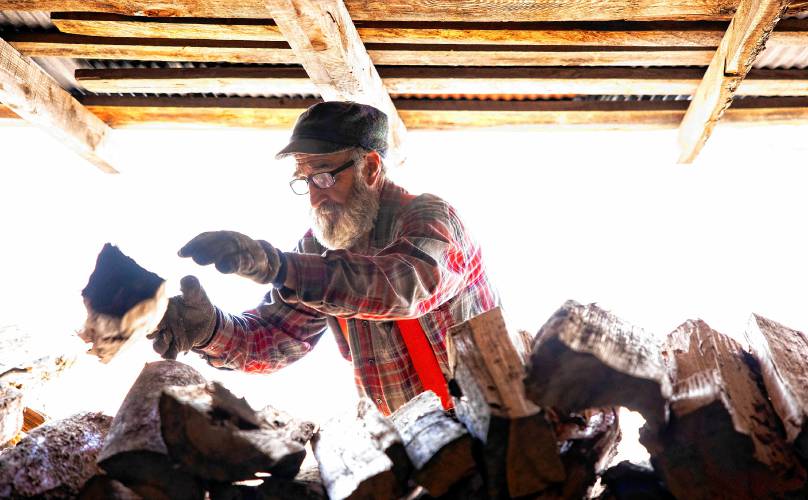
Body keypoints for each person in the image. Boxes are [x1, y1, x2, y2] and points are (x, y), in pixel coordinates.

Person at [149, 101, 500, 415]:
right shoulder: (318, 250)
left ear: (371, 168)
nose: (315, 197)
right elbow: (275, 334)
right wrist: (209, 330)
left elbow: (402, 287)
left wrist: (279, 267)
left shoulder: (431, 218)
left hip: (496, 425)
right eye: (305, 180)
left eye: (324, 175)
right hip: (410, 441)